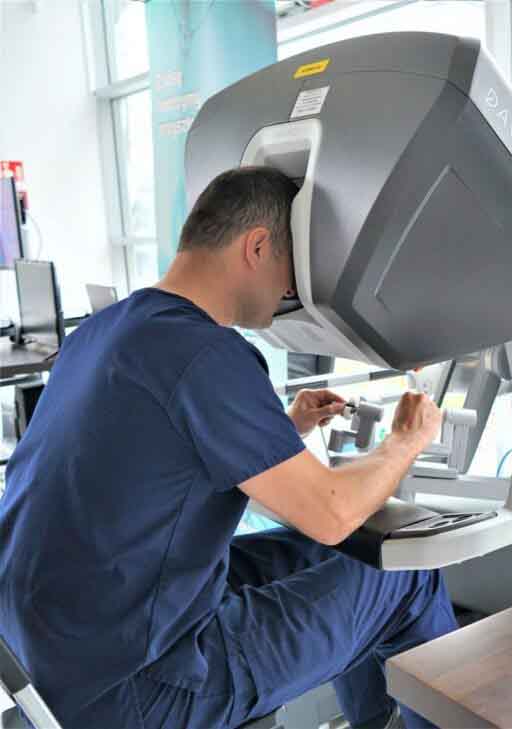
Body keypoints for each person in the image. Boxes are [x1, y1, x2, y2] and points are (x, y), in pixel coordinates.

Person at [0, 166, 457, 729]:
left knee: (354, 556)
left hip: (60, 657)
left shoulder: (105, 331)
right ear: (257, 247)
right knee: (406, 572)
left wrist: (280, 431)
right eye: (290, 271)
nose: (289, 292)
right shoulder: (205, 351)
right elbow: (333, 512)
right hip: (137, 691)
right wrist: (405, 441)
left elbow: (153, 463)